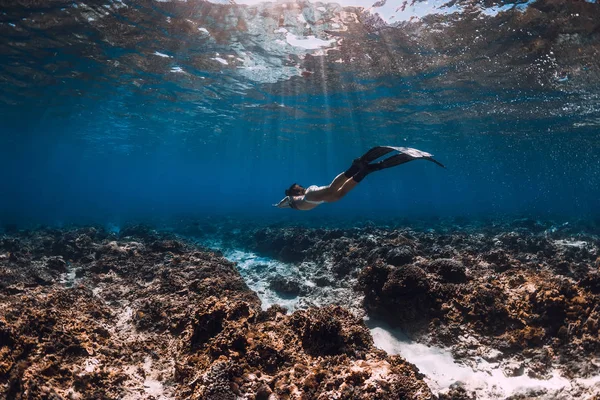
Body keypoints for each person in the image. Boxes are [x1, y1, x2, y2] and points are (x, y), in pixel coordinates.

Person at [274, 146, 444, 211]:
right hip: (321, 200)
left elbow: (285, 202)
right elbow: (285, 200)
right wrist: (280, 203)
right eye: (297, 188)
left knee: (334, 189)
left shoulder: (300, 196)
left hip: (313, 197)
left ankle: (356, 166)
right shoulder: (292, 198)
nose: (299, 187)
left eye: (297, 188)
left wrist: (279, 204)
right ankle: (366, 170)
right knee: (338, 194)